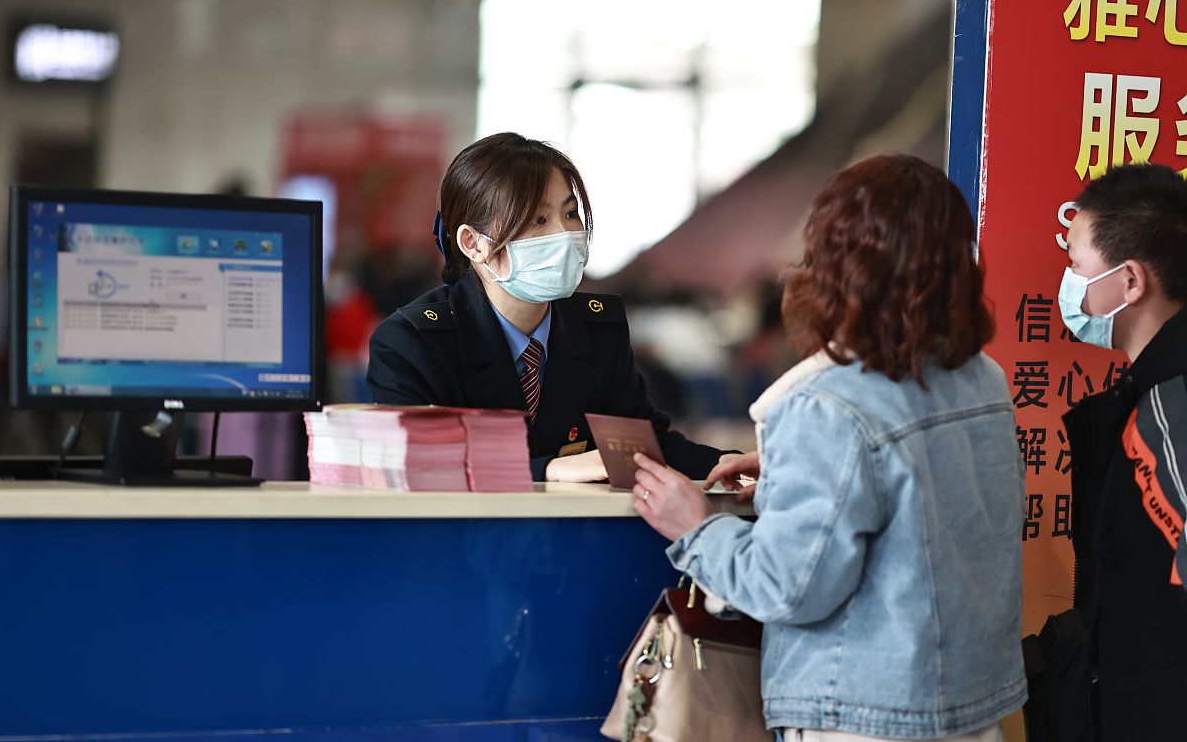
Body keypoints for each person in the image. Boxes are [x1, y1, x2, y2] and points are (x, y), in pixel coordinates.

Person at [630, 154, 1026, 741]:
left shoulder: (824, 403)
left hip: (863, 715)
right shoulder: (983, 378)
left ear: (840, 265)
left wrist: (695, 528)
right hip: (973, 704)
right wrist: (798, 470)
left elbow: (789, 585)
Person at [366, 132, 728, 482]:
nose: (565, 234)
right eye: (538, 220)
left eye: (570, 215)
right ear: (473, 244)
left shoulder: (598, 329)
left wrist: (736, 465)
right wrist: (548, 469)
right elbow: (421, 464)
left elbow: (644, 446)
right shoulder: (412, 342)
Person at [1057, 162, 1187, 739]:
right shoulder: (1148, 396)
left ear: (1130, 282)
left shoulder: (1168, 414)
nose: (1067, 285)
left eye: (1076, 267)